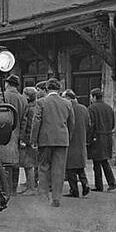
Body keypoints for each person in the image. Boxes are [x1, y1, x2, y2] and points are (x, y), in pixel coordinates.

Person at [31, 78, 74, 207]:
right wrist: (67, 137)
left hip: (45, 139)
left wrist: (34, 139)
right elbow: (72, 123)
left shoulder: (41, 102)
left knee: (44, 168)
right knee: (59, 169)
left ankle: (44, 197)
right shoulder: (67, 103)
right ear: (59, 89)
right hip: (62, 140)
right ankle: (56, 198)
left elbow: (36, 121)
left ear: (47, 88)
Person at [0, 74, 27, 194]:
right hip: (17, 131)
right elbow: (25, 120)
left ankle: (6, 189)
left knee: (4, 163)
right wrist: (22, 135)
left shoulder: (3, 96)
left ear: (7, 84)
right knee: (15, 162)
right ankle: (14, 188)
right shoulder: (23, 99)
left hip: (4, 131)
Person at [62, 89, 91, 198]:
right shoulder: (84, 108)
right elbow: (89, 124)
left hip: (69, 139)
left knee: (70, 167)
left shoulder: (67, 108)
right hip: (81, 139)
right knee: (80, 165)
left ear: (68, 98)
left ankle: (74, 189)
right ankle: (85, 183)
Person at [88, 88, 116, 192]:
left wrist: (89, 138)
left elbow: (91, 125)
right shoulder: (109, 108)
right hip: (107, 136)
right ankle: (111, 182)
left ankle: (99, 184)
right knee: (104, 161)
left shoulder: (92, 108)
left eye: (91, 96)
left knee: (97, 162)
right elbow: (113, 124)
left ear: (94, 97)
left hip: (97, 137)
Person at [17, 87, 39, 194]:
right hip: (33, 139)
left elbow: (28, 125)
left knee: (28, 164)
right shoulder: (36, 107)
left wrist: (24, 139)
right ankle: (30, 186)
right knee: (30, 164)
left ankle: (31, 188)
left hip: (28, 140)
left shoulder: (29, 108)